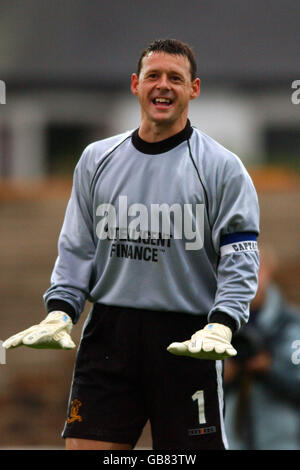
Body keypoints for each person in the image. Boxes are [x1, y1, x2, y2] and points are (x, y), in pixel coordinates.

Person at [3, 38, 260, 450]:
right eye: (154, 76)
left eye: (175, 78)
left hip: (188, 340)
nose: (163, 86)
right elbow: (77, 246)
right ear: (135, 84)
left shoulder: (222, 167)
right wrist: (60, 311)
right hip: (109, 334)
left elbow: (240, 259)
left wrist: (223, 322)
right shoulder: (96, 158)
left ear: (193, 89)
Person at [224, 246, 300, 450]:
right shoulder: (217, 328)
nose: (246, 279)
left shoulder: (292, 325)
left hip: (282, 442)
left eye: (254, 270)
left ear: (268, 272)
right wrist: (224, 374)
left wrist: (269, 368)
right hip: (232, 441)